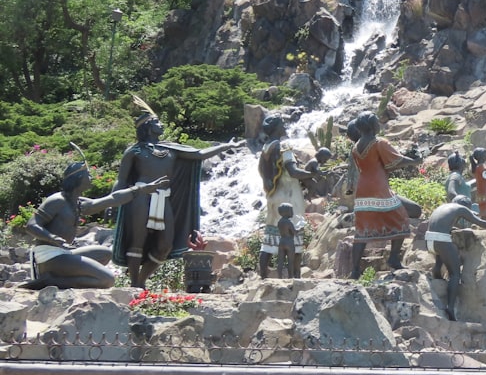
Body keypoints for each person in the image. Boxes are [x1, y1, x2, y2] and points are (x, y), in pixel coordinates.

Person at [112, 99, 240, 288]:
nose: (161, 124)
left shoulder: (171, 148)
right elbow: (121, 180)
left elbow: (199, 155)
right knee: (137, 241)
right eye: (157, 122)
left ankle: (141, 280)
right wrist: (112, 201)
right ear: (147, 127)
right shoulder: (134, 151)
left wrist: (225, 146)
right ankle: (134, 284)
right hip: (140, 197)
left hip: (163, 198)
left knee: (165, 245)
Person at [23, 155, 169, 290]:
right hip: (48, 255)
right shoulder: (57, 201)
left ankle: (59, 277)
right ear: (79, 178)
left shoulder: (78, 203)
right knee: (107, 280)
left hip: (63, 252)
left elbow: (113, 199)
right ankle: (50, 281)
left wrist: (142, 189)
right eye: (88, 174)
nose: (91, 176)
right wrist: (52, 238)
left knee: (105, 254)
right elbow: (31, 225)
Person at [349, 110, 420, 278]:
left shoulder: (355, 146)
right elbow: (397, 160)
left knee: (361, 230)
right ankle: (393, 258)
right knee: (401, 217)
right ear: (373, 125)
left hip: (363, 189)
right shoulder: (379, 142)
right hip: (378, 188)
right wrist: (415, 161)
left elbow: (381, 165)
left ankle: (354, 271)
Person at [425, 195, 486, 321]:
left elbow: (439, 224)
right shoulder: (461, 208)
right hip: (441, 240)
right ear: (467, 205)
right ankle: (450, 307)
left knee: (439, 262)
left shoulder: (443, 207)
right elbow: (479, 222)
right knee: (455, 274)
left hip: (428, 240)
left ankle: (437, 283)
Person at [257, 113, 317, 279]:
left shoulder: (266, 148)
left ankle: (263, 276)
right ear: (277, 127)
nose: (284, 126)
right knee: (294, 240)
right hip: (289, 197)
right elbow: (293, 171)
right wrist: (311, 176)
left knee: (269, 240)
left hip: (273, 195)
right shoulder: (284, 148)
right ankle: (295, 277)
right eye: (282, 124)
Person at [274, 202, 298, 279]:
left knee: (280, 261)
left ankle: (279, 277)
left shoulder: (280, 222)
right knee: (290, 261)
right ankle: (290, 278)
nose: (292, 212)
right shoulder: (289, 222)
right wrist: (298, 229)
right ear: (287, 212)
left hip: (282, 241)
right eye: (291, 210)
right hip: (289, 242)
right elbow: (294, 232)